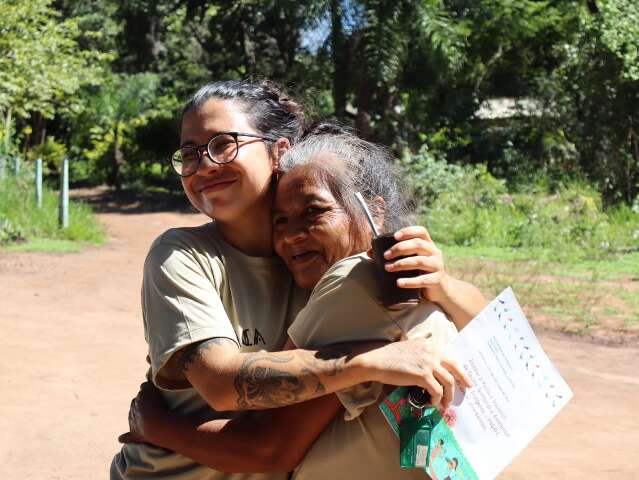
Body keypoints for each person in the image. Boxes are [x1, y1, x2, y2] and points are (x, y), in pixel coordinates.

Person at [111, 80, 486, 479]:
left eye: (223, 144)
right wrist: (372, 360)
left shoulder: (328, 267)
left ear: (279, 150)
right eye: (190, 153)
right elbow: (221, 385)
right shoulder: (185, 255)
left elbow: (492, 331)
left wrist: (443, 284)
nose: (204, 165)